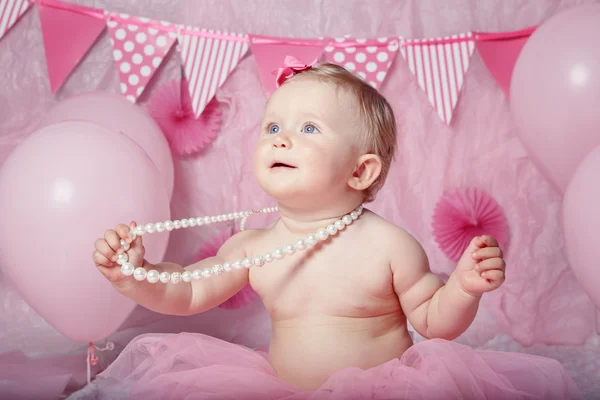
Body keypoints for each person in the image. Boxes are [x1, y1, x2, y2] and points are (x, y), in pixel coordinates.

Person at [86, 57, 581, 399]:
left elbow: (433, 322)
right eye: (272, 128)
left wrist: (465, 288)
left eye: (308, 130)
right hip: (279, 387)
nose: (280, 140)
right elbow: (188, 294)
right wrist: (137, 274)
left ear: (360, 171)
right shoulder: (252, 245)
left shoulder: (388, 245)